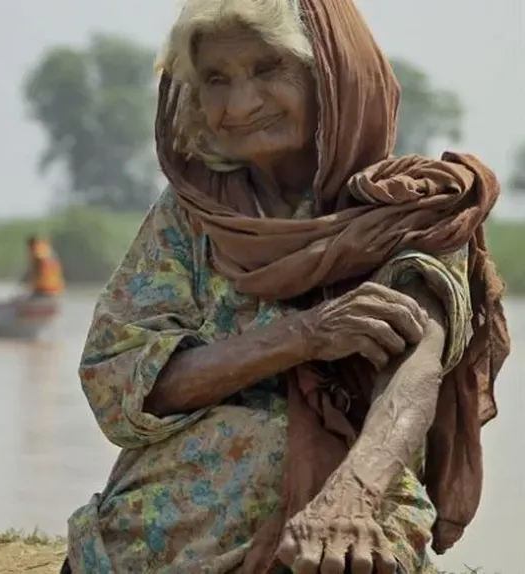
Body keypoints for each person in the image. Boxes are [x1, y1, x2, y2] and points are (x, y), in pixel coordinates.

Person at [62, 0, 509, 573]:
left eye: (269, 70)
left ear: (331, 74)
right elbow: (117, 383)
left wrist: (350, 497)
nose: (240, 104)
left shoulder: (415, 208)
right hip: (177, 509)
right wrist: (303, 336)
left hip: (351, 503)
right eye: (217, 80)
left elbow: (415, 367)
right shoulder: (192, 215)